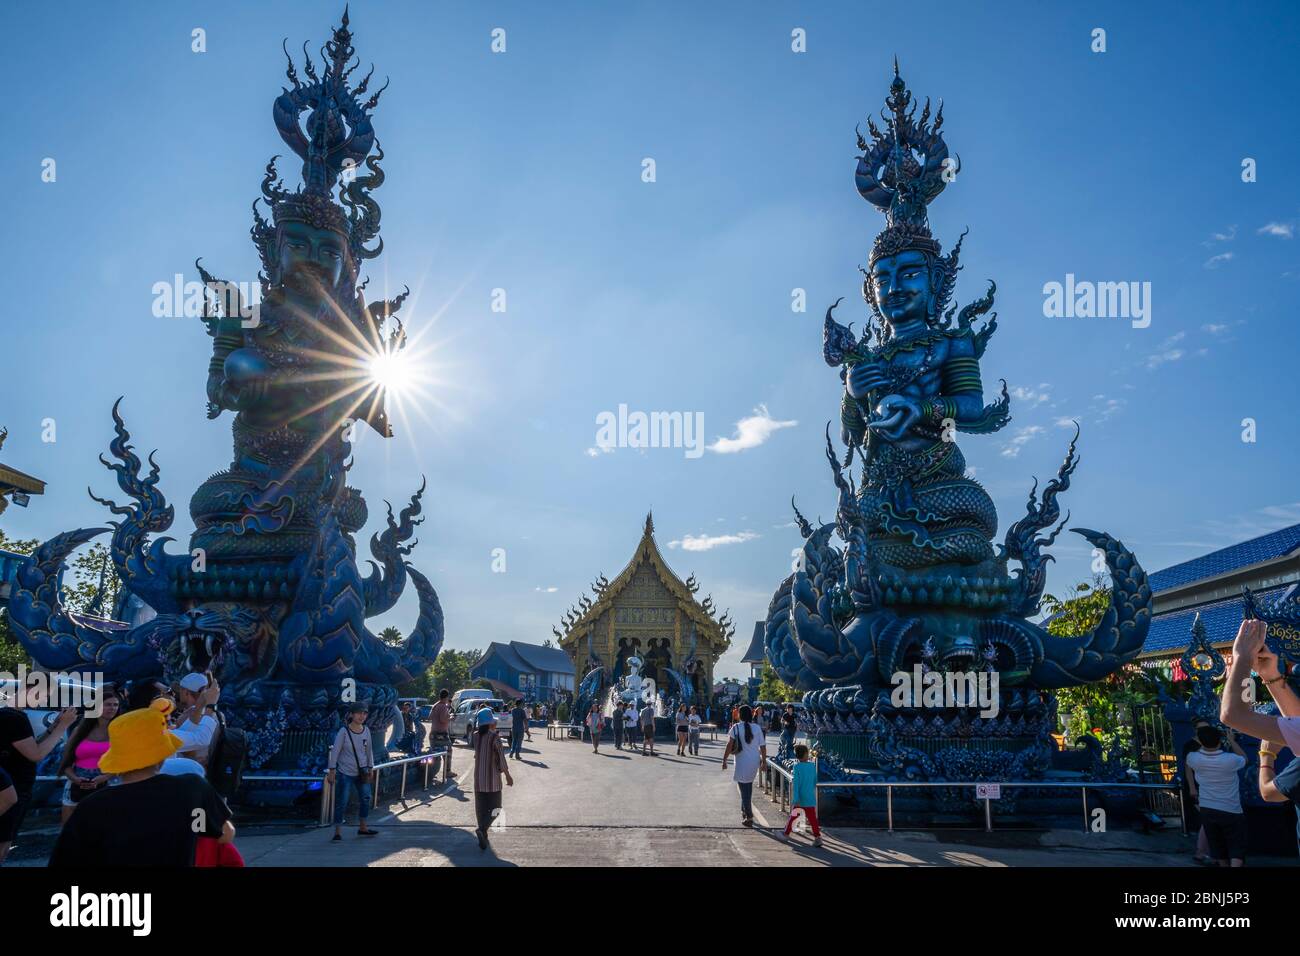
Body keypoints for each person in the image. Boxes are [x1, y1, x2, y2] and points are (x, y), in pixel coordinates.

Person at [48, 698, 235, 867]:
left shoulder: (92, 807)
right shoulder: (193, 789)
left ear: (117, 759)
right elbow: (225, 834)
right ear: (161, 754)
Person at [0, 675, 78, 864]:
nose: (44, 701)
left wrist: (54, 727)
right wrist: (64, 727)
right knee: (2, 846)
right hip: (13, 790)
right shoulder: (13, 717)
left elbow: (29, 747)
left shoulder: (12, 714)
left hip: (13, 788)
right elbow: (36, 754)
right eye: (45, 695)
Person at [1185, 724, 1247, 867]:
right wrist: (1232, 740)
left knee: (1218, 847)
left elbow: (1189, 763)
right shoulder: (1230, 760)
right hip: (1231, 809)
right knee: (1236, 846)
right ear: (1219, 741)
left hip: (1207, 808)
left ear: (1200, 741)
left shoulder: (1193, 758)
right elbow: (1245, 759)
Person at [58, 690, 120, 824]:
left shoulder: (120, 731)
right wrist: (75, 779)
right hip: (77, 782)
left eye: (115, 705)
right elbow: (66, 761)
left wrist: (104, 778)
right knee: (69, 826)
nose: (112, 708)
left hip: (108, 783)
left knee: (101, 825)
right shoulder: (80, 730)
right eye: (108, 704)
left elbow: (125, 761)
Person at [327, 704, 379, 842]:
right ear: (351, 715)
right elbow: (335, 751)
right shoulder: (343, 732)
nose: (362, 716)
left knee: (366, 798)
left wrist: (371, 767)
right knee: (342, 801)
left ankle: (363, 827)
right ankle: (337, 831)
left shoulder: (366, 730)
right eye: (359, 713)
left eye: (365, 713)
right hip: (345, 772)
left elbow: (369, 751)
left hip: (362, 771)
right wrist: (332, 770)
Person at [471, 707, 513, 850]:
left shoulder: (475, 736)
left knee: (481, 810)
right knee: (496, 809)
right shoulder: (495, 737)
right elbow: (501, 758)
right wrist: (508, 776)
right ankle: (482, 830)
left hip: (478, 779)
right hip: (493, 780)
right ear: (489, 723)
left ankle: (483, 834)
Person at [720, 704, 767, 827]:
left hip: (741, 762)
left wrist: (724, 760)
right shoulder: (757, 728)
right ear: (751, 715)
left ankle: (749, 816)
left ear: (739, 715)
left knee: (743, 790)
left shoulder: (735, 727)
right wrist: (764, 762)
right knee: (748, 787)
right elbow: (762, 746)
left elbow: (729, 745)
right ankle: (744, 811)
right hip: (754, 762)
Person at [171, 673, 220, 766]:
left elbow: (189, 751)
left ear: (185, 693)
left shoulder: (186, 717)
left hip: (189, 772)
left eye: (180, 690)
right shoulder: (217, 714)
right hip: (211, 771)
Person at [780, 744, 823, 847]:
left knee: (793, 817)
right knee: (813, 819)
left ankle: (786, 834)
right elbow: (814, 781)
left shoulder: (797, 767)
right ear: (806, 754)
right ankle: (817, 837)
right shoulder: (812, 766)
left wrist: (796, 799)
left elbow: (796, 784)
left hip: (800, 797)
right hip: (809, 797)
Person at [429, 688, 453, 777]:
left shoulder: (435, 705)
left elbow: (430, 717)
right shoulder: (443, 706)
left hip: (433, 734)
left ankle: (430, 771)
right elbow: (443, 720)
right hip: (441, 734)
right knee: (448, 751)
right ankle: (447, 771)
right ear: (446, 697)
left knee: (434, 754)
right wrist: (450, 718)